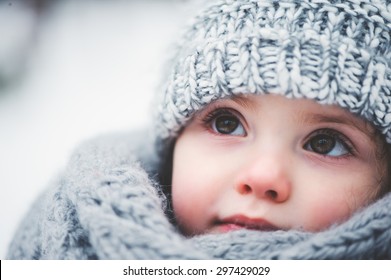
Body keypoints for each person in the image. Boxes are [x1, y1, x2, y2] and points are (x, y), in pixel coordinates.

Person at [7, 0, 391, 259]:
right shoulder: (64, 234)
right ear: (173, 144)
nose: (262, 178)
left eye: (325, 144)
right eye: (227, 123)